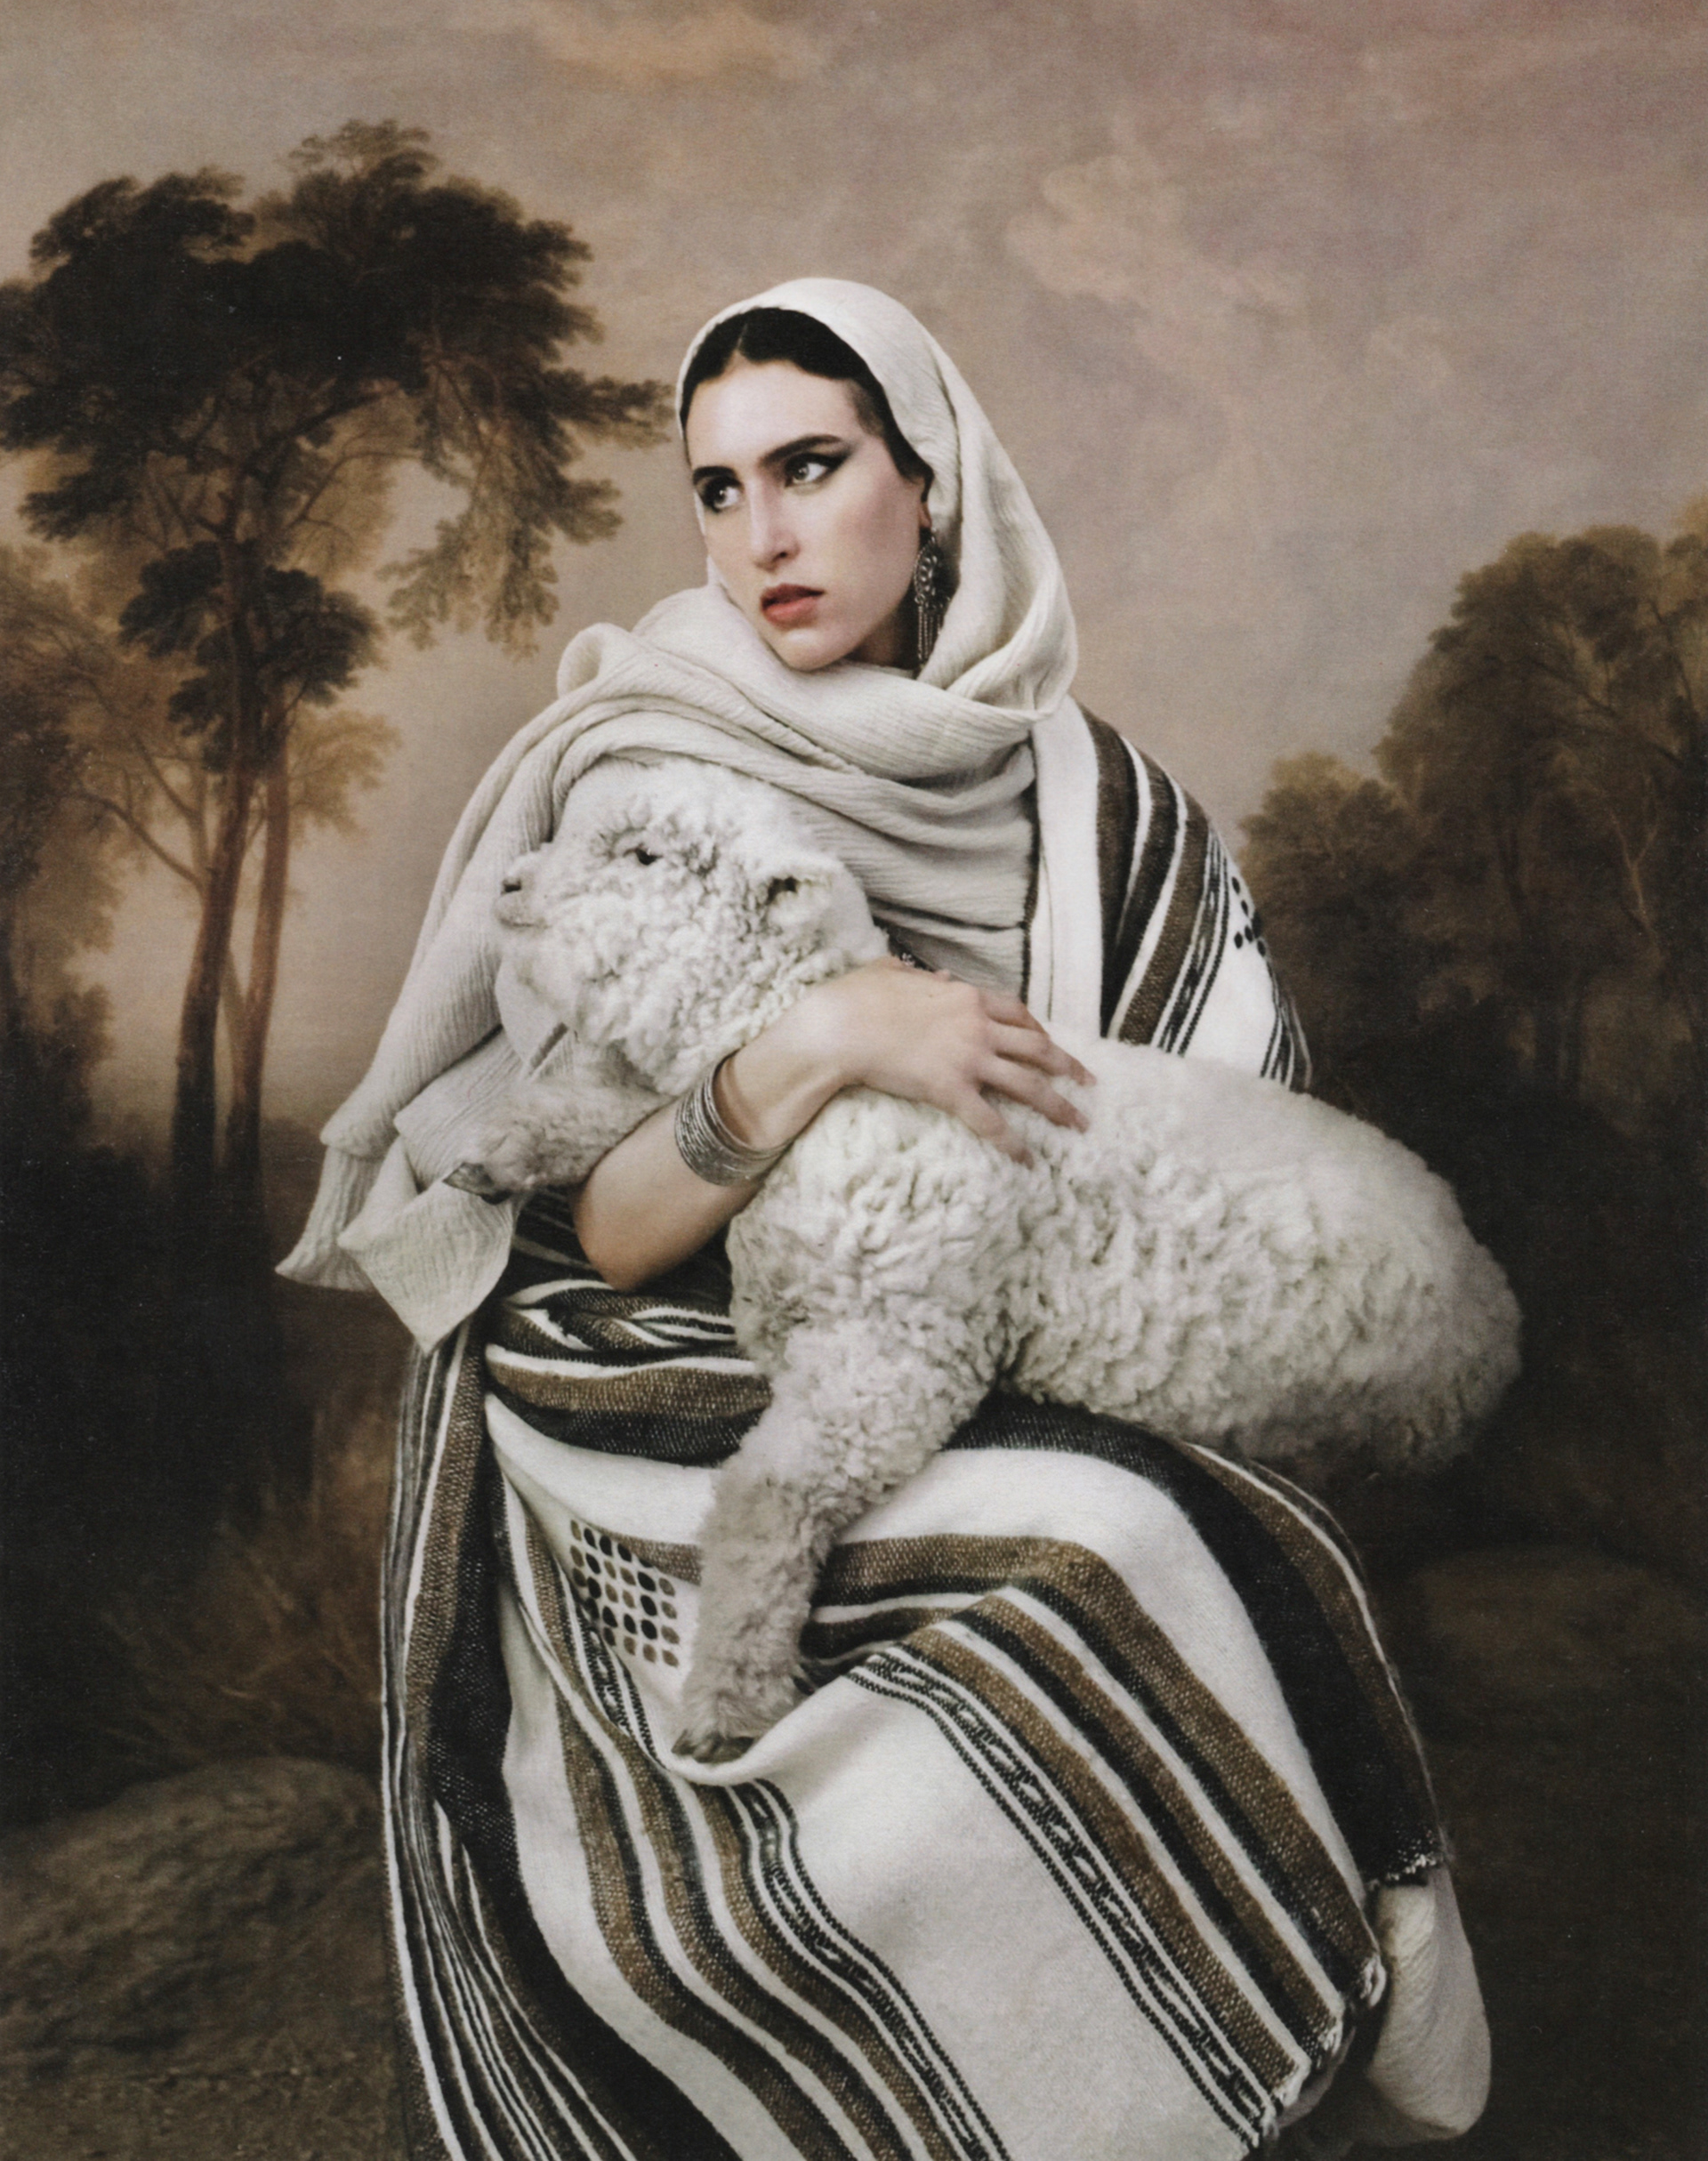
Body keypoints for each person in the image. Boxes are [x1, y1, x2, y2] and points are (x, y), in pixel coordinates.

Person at [282, 280, 1488, 2161]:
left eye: (812, 467)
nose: (761, 534)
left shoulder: (1105, 807)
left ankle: (1249, 1990)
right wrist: (833, 1037)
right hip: (669, 1336)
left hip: (1023, 1300)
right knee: (1087, 1548)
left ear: (931, 484)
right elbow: (609, 1228)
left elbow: (1229, 1133)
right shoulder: (653, 755)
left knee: (1209, 1524)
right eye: (719, 487)